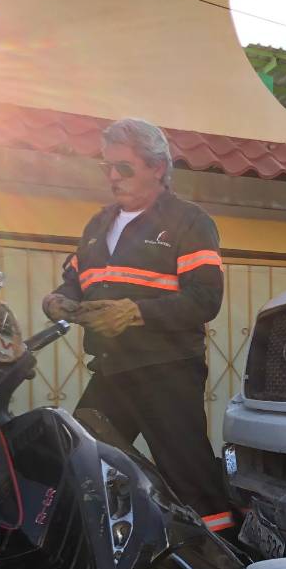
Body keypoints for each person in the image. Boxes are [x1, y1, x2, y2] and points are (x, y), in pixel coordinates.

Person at [42, 118, 234, 536]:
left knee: (190, 479)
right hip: (111, 370)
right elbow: (75, 281)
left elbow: (206, 299)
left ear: (157, 168)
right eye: (106, 167)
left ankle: (225, 566)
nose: (112, 177)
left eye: (123, 168)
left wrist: (136, 312)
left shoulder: (189, 221)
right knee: (82, 465)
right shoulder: (97, 226)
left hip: (168, 371)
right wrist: (57, 299)